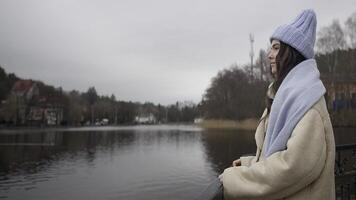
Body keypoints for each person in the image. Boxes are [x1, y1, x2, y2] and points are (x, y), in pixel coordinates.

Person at [219, 9, 335, 200]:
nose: (269, 55)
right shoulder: (286, 96)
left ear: (291, 52)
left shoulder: (307, 103)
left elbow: (293, 166)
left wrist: (235, 179)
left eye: (275, 47)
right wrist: (250, 163)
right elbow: (278, 153)